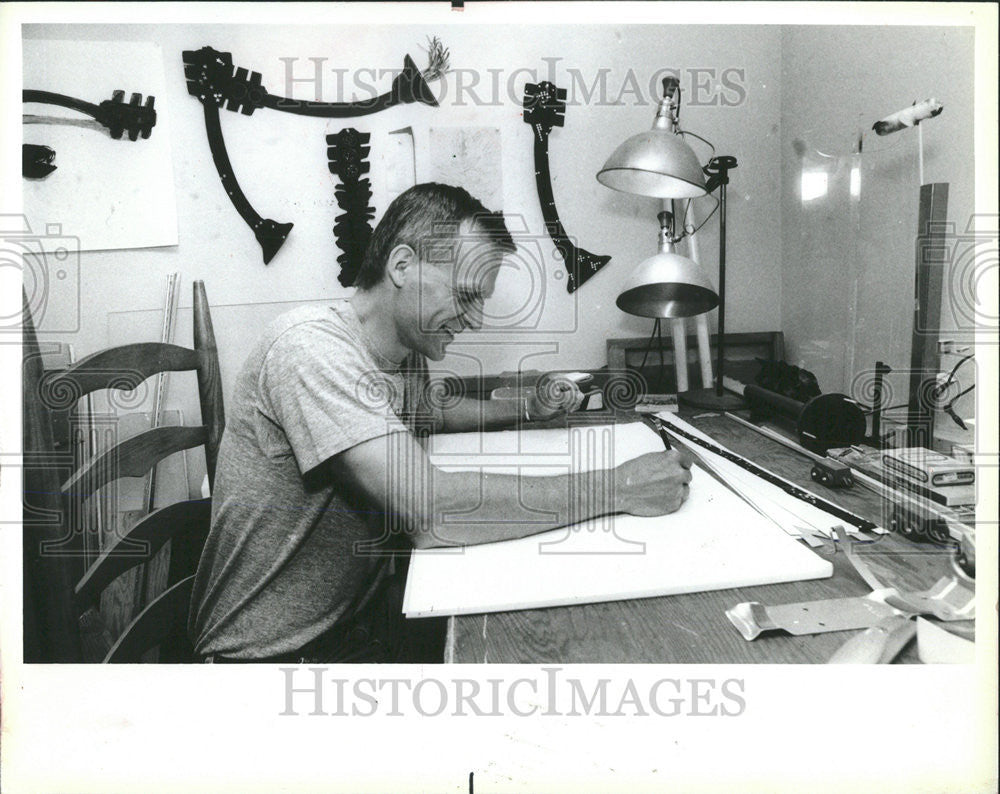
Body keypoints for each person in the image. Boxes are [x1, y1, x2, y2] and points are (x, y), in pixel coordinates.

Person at [188, 183, 692, 663]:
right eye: (467, 296)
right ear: (403, 265)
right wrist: (620, 486)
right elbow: (432, 514)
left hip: (352, 629)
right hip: (265, 661)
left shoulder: (398, 349)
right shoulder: (311, 350)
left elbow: (428, 409)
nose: (473, 320)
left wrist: (525, 407)